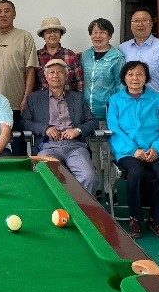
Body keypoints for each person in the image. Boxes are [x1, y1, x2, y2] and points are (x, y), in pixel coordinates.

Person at [107, 61, 159, 239]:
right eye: (130, 74)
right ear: (124, 78)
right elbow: (114, 130)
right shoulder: (115, 101)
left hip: (157, 151)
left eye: (139, 74)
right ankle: (135, 219)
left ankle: (157, 220)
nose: (135, 78)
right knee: (136, 173)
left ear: (146, 77)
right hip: (128, 152)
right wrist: (134, 150)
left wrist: (157, 148)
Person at [22, 59, 99, 194]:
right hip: (48, 146)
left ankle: (79, 206)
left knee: (89, 177)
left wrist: (77, 130)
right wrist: (45, 128)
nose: (55, 75)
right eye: (51, 72)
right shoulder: (35, 98)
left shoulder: (77, 98)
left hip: (75, 146)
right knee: (46, 174)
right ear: (46, 77)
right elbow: (25, 122)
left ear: (66, 76)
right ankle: (55, 206)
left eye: (60, 72)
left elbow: (93, 122)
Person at [0, 0, 38, 154]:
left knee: (17, 145)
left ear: (14, 14)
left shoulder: (24, 37)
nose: (3, 15)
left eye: (7, 11)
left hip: (15, 103)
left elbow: (30, 70)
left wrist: (26, 97)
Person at [80, 18, 124, 202]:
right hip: (88, 115)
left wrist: (115, 110)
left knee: (108, 153)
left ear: (110, 35)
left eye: (102, 32)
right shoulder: (85, 56)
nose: (98, 36)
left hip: (107, 114)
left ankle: (110, 189)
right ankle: (97, 187)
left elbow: (121, 86)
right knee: (93, 153)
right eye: (94, 32)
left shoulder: (117, 57)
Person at [119, 8, 159, 104]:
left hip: (155, 104)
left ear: (151, 24)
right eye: (136, 21)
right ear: (131, 24)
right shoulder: (123, 48)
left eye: (144, 20)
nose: (140, 24)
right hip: (128, 104)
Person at [35, 17, 83, 92]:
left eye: (56, 31)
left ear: (61, 34)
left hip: (67, 98)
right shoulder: (36, 57)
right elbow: (32, 84)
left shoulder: (71, 55)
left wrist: (76, 99)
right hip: (42, 99)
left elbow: (79, 83)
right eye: (48, 32)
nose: (52, 34)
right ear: (43, 35)